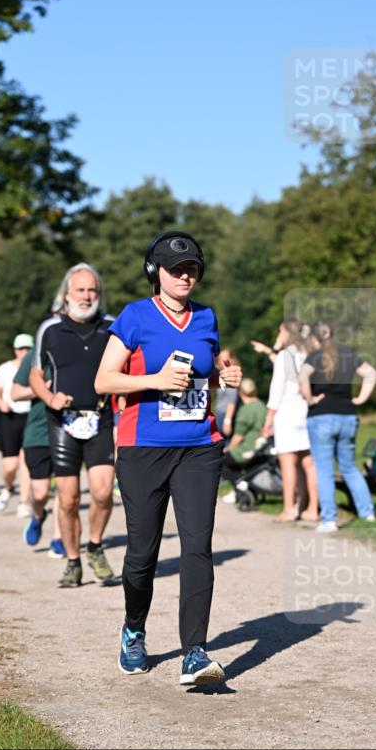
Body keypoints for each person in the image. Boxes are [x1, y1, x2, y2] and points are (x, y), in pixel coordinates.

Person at [94, 230, 242, 687]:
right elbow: (104, 380)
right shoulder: (135, 316)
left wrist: (224, 378)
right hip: (143, 448)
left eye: (192, 268)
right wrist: (154, 379)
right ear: (155, 272)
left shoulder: (207, 317)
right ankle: (134, 630)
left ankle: (194, 652)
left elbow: (204, 375)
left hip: (199, 446)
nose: (185, 276)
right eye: (175, 269)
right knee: (143, 551)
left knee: (197, 546)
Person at [29, 264, 116, 587]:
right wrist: (49, 398)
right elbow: (35, 375)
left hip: (101, 417)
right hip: (62, 421)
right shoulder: (50, 329)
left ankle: (95, 546)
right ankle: (72, 561)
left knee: (103, 493)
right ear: (67, 294)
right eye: (80, 290)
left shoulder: (112, 327)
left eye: (92, 290)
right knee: (67, 499)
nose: (87, 296)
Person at [298, 320, 376, 533]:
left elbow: (302, 378)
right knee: (349, 467)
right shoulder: (348, 353)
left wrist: (311, 400)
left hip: (321, 417)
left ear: (314, 337)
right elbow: (371, 373)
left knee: (324, 470)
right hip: (348, 416)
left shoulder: (314, 357)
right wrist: (360, 399)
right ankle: (368, 514)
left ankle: (329, 520)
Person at [10, 325, 66, 558]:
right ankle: (38, 515)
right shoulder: (34, 356)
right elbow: (15, 393)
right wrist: (41, 390)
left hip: (68, 430)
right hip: (38, 432)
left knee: (65, 489)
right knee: (40, 492)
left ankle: (59, 538)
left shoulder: (79, 351)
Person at [260, 319, 319, 522]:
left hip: (287, 414)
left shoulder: (285, 355)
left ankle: (289, 509)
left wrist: (268, 420)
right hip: (308, 412)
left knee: (288, 464)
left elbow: (277, 390)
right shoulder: (311, 354)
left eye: (280, 331)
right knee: (308, 464)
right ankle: (311, 508)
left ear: (286, 333)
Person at [0, 335, 34, 516]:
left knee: (26, 462)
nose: (24, 352)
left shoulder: (36, 367)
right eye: (21, 348)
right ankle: (8, 488)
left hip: (30, 416)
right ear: (15, 350)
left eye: (28, 348)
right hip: (9, 417)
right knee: (10, 466)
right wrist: (1, 404)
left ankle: (23, 502)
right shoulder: (5, 368)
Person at [220, 378, 267, 501]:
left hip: (246, 449)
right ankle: (243, 486)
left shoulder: (245, 410)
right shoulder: (262, 406)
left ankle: (240, 485)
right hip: (260, 448)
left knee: (221, 460)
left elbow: (238, 437)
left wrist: (227, 449)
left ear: (240, 392)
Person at [214, 347, 239, 438]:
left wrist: (227, 421)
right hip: (220, 414)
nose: (222, 361)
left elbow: (232, 400)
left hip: (225, 415)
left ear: (232, 359)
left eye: (225, 358)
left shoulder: (230, 376)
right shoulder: (222, 375)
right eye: (220, 358)